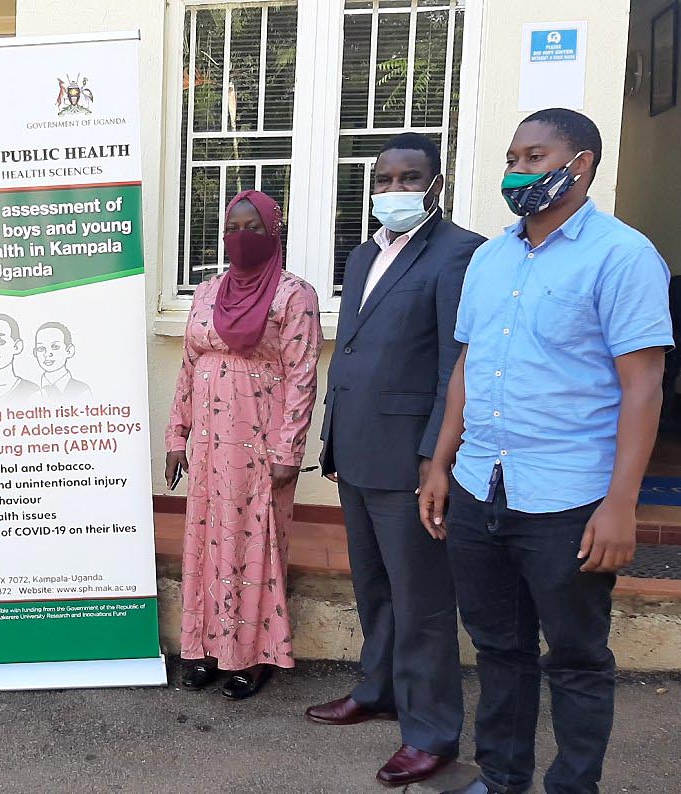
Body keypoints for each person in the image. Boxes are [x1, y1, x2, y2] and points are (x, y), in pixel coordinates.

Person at [420, 109, 672, 794]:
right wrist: (441, 464)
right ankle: (503, 777)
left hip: (568, 498)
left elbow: (643, 386)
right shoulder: (491, 257)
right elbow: (467, 366)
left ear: (581, 164)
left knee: (577, 659)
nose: (517, 172)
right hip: (480, 487)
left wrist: (623, 506)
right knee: (499, 650)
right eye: (512, 158)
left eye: (535, 157)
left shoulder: (623, 257)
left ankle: (572, 787)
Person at [309, 133, 484, 786]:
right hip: (357, 451)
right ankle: (378, 689)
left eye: (410, 178)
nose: (394, 190)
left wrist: (434, 458)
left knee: (423, 603)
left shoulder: (460, 254)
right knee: (374, 589)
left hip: (411, 460)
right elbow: (351, 353)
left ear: (436, 185)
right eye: (384, 179)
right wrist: (332, 442)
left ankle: (433, 732)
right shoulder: (361, 257)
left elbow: (455, 365)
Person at [164, 189, 322, 700]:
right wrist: (176, 435)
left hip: (259, 444)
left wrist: (287, 451)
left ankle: (252, 656)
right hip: (209, 446)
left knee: (252, 545)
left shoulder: (294, 295)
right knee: (209, 544)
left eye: (254, 227)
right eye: (234, 226)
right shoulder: (208, 292)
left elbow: (302, 376)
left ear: (274, 232)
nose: (242, 236)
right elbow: (189, 367)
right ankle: (208, 648)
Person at [32, 321, 91, 403]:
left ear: (69, 351)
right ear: (35, 353)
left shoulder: (82, 391)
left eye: (55, 347)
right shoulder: (31, 392)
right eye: (41, 349)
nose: (47, 354)